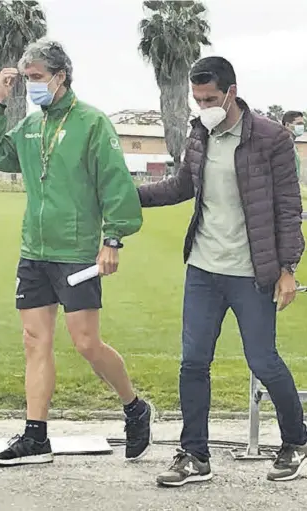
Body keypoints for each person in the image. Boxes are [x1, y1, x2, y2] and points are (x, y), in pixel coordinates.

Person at [0, 38, 152, 466]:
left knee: (87, 344)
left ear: (60, 77)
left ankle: (134, 406)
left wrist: (112, 239)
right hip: (34, 250)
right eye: (26, 79)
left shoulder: (91, 123)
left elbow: (115, 183)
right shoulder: (30, 127)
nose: (31, 86)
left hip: (75, 252)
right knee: (35, 341)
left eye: (36, 78)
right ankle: (36, 437)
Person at [137, 56, 306, 486]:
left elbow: (289, 208)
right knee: (193, 362)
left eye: (210, 98)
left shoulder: (272, 138)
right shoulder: (199, 135)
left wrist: (288, 269)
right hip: (203, 269)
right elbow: (180, 187)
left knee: (263, 360)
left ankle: (296, 443)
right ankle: (195, 455)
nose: (203, 106)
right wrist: (127, 194)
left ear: (231, 91)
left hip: (252, 272)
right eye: (197, 99)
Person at [282, 110, 304, 179]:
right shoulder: (282, 145)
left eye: (302, 124)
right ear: (287, 125)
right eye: (298, 124)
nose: (301, 127)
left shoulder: (292, 145)